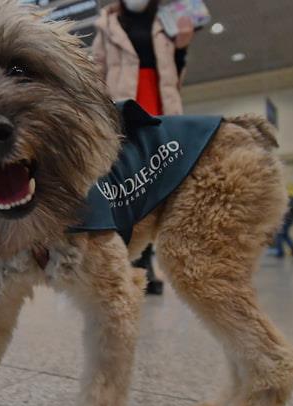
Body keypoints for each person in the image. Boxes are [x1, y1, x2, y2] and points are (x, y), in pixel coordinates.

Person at [92, 0, 195, 294]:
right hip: (123, 107)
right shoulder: (107, 24)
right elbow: (95, 70)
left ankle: (146, 260)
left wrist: (182, 48)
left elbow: (175, 75)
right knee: (127, 188)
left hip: (159, 107)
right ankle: (129, 261)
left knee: (157, 189)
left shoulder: (166, 22)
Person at [274, 194, 293, 258]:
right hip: (288, 220)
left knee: (278, 236)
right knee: (285, 235)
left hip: (285, 220)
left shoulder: (287, 198)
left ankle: (280, 252)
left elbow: (286, 211)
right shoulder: (291, 198)